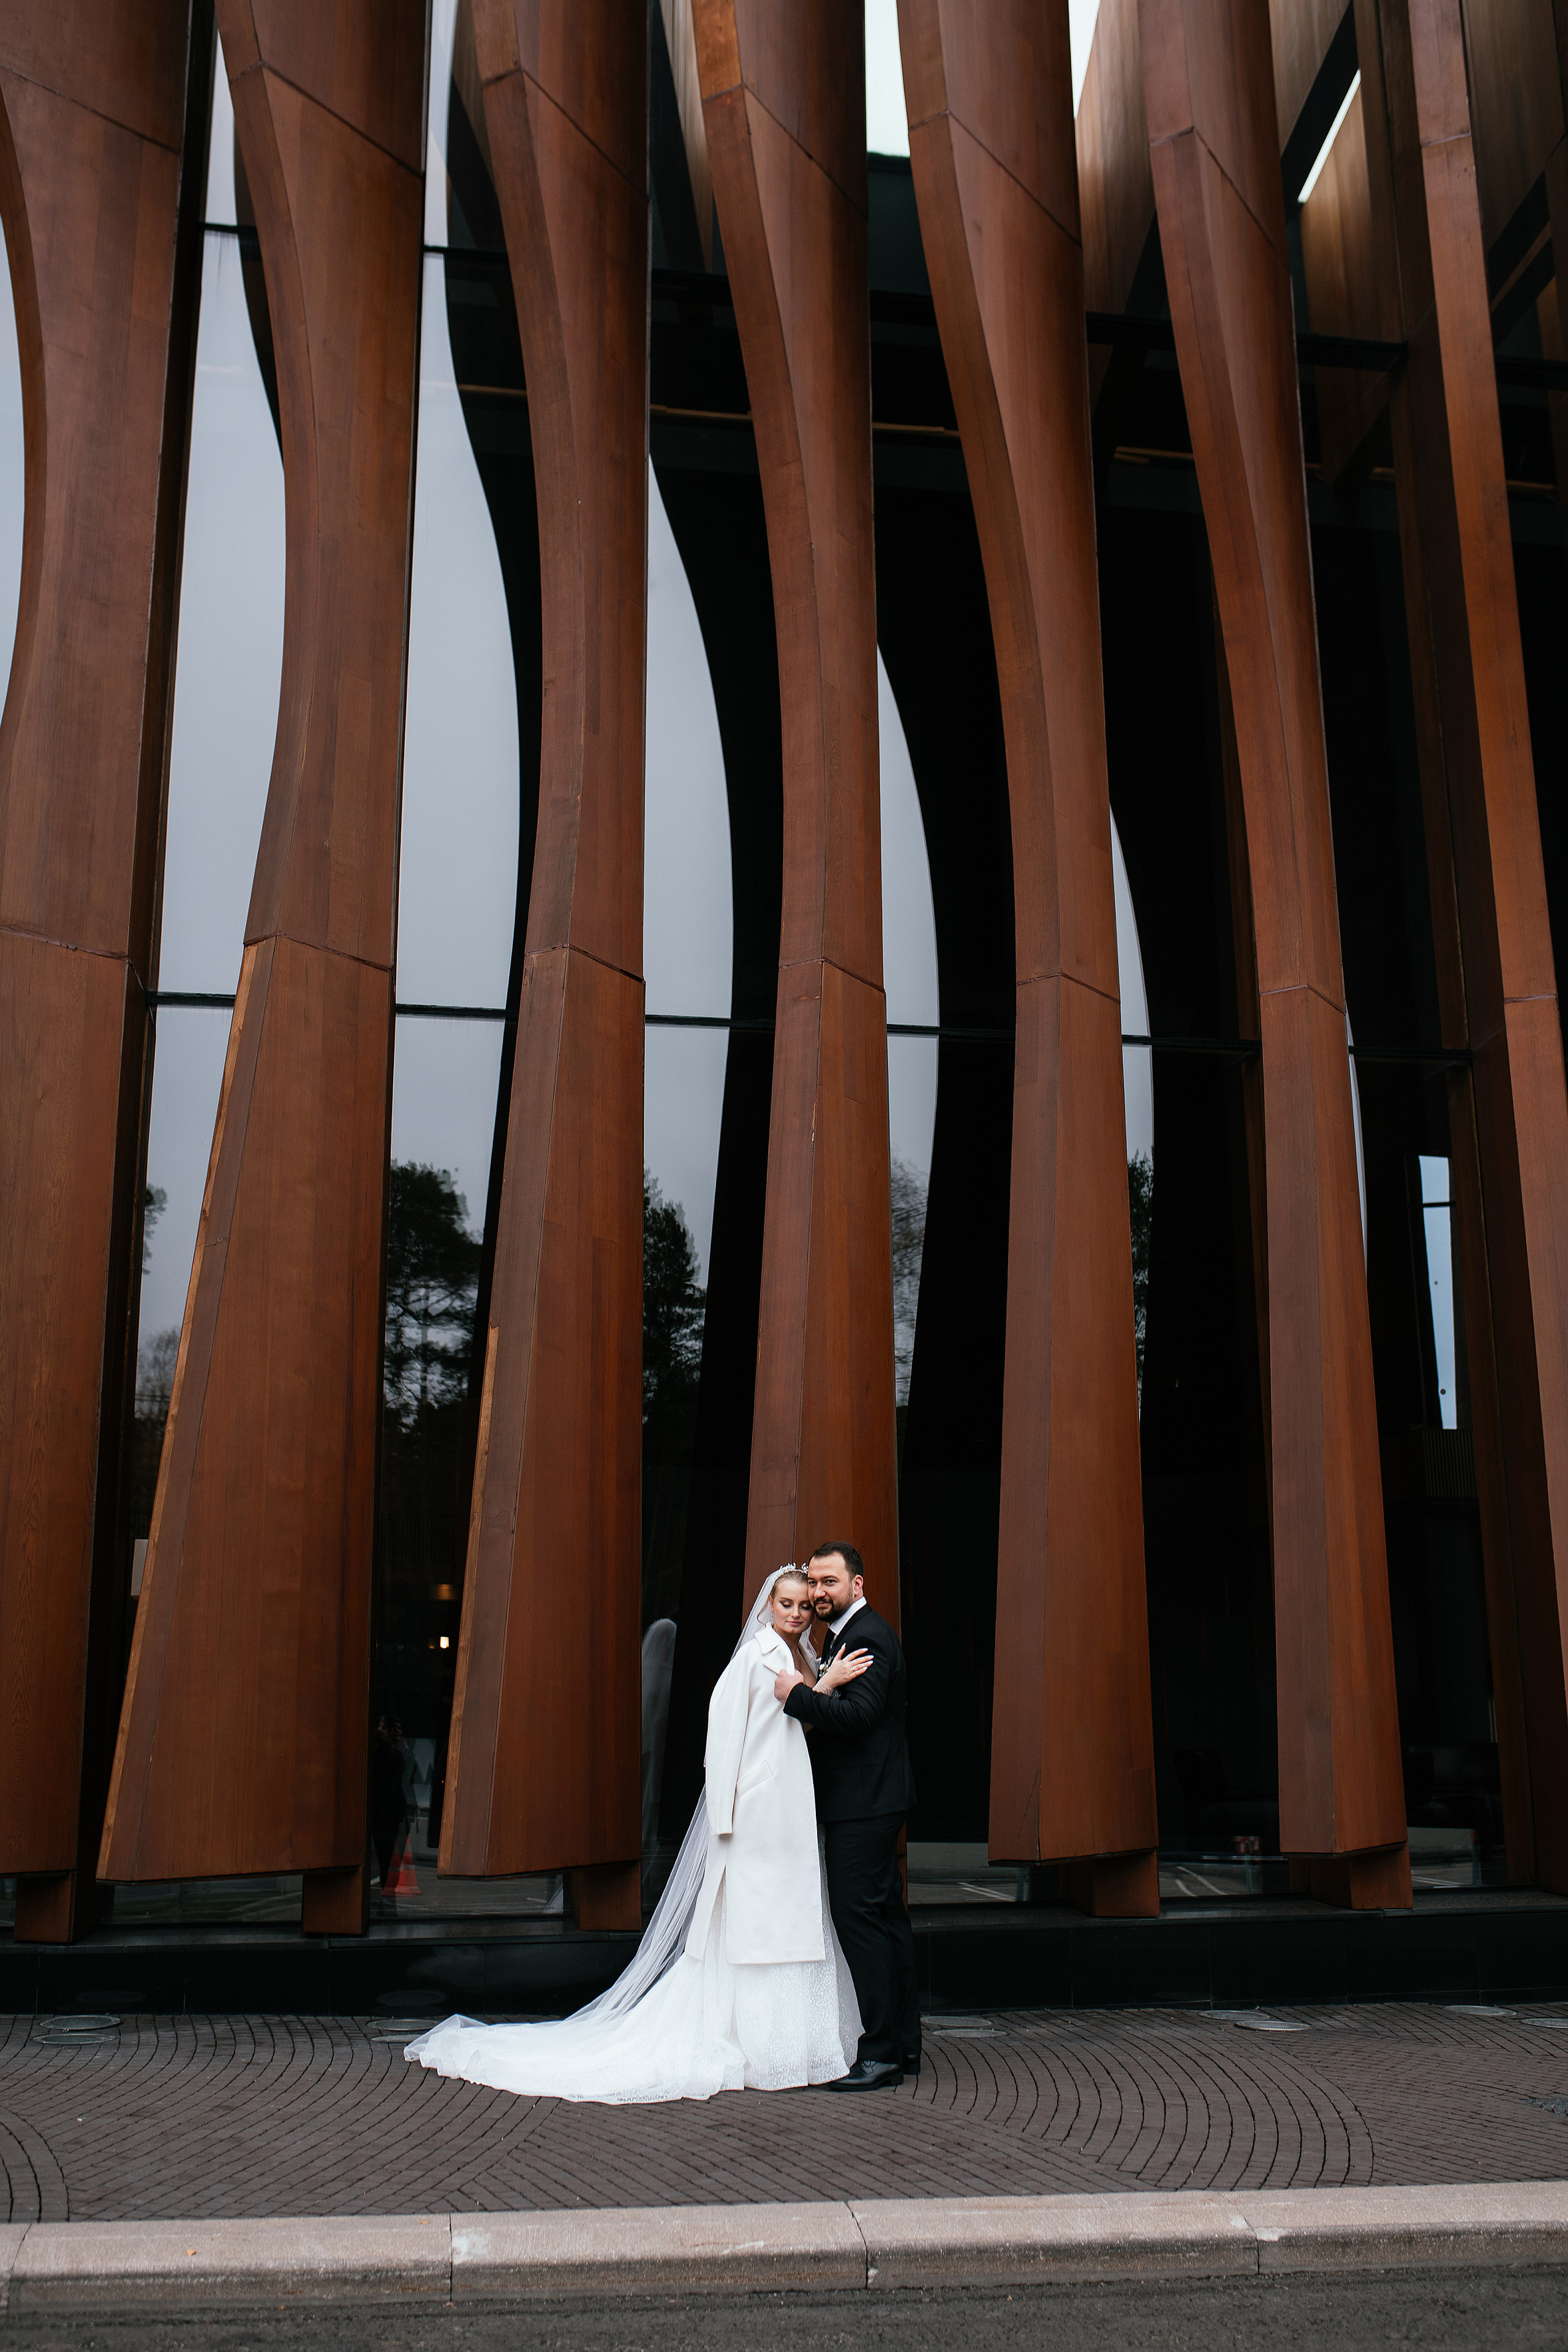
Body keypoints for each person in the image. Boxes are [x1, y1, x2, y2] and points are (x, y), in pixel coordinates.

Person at [403, 1567, 873, 2103]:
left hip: (791, 1812)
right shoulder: (752, 1658)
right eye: (786, 1604)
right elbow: (723, 1739)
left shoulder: (803, 1657)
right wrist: (728, 1817)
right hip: (758, 1815)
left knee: (788, 1921)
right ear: (768, 1606)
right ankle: (762, 2047)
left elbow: (800, 1722)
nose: (795, 1614)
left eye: (804, 1606)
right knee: (756, 1929)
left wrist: (822, 1686)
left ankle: (792, 2045)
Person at [774, 1542, 920, 2092]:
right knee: (886, 1920)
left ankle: (879, 2054)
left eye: (829, 1582)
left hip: (864, 1804)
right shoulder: (844, 1636)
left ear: (857, 1585)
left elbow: (859, 1717)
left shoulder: (866, 1637)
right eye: (813, 1582)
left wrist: (798, 1695)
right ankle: (903, 2045)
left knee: (861, 1923)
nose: (818, 1592)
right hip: (872, 1799)